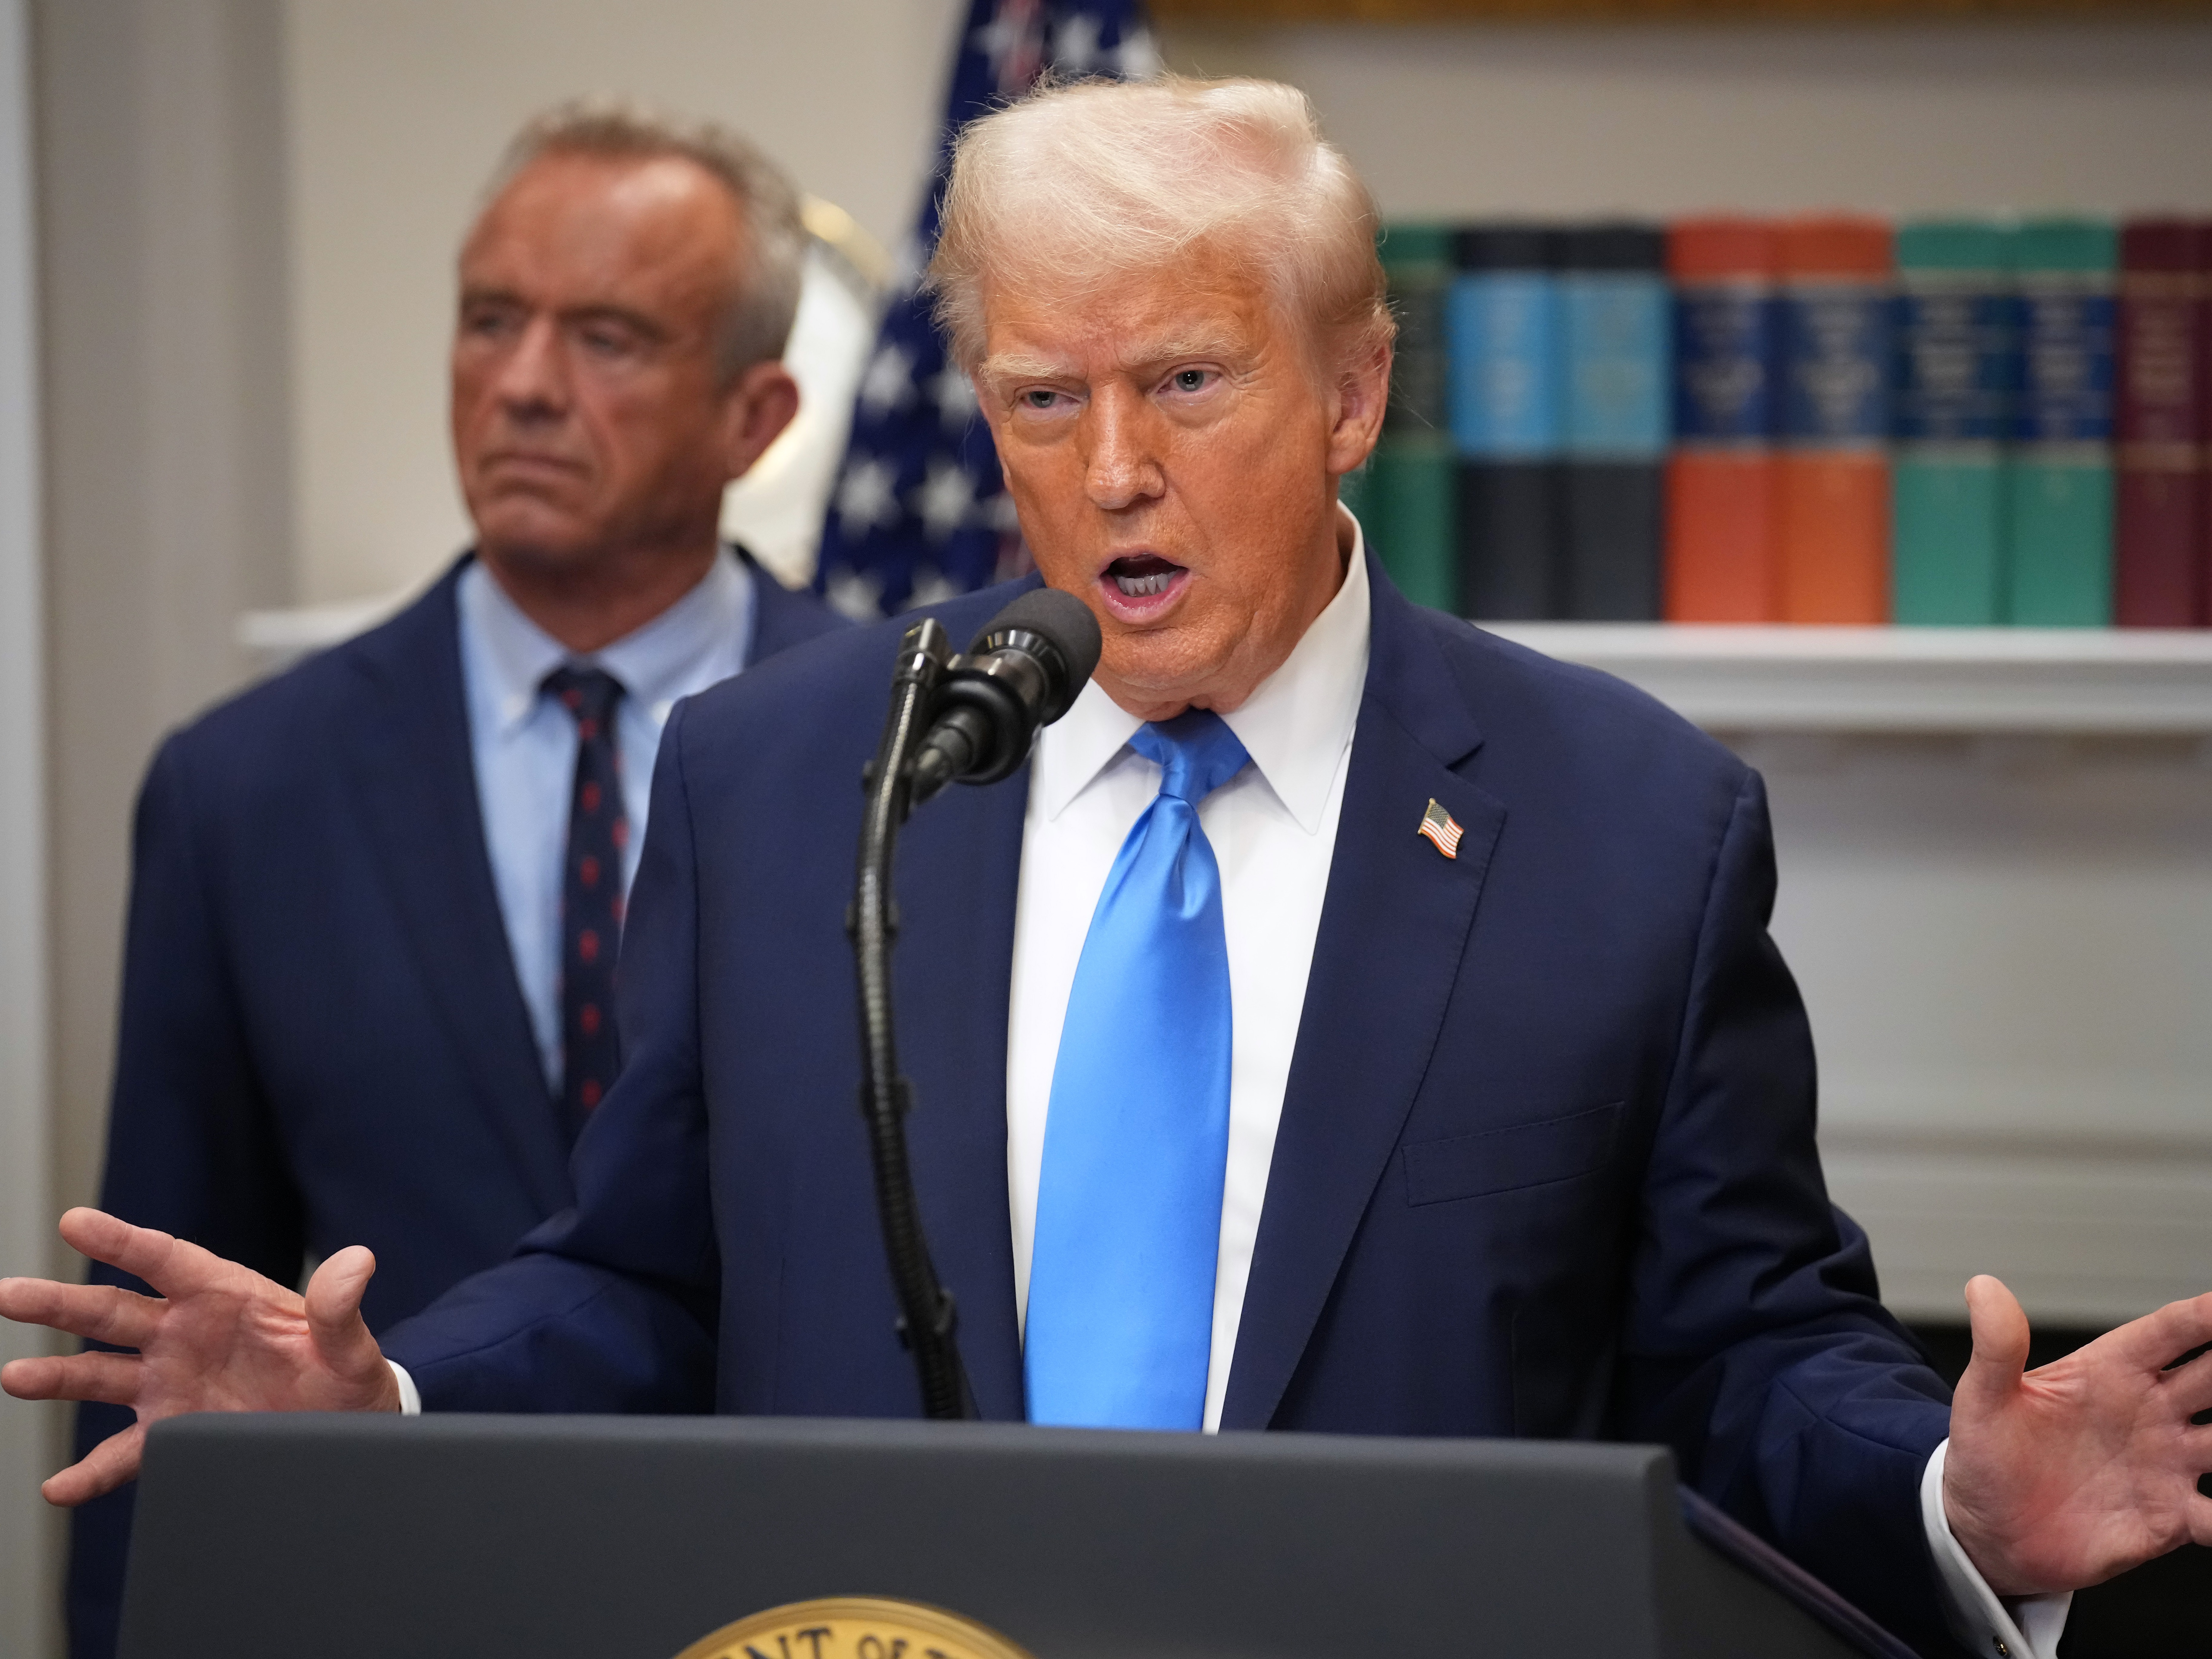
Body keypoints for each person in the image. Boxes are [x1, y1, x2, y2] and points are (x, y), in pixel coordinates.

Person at [7, 77, 2210, 1659]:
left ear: (1351, 391)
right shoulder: (795, 777)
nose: (1115, 471)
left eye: (1184, 379)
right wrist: (378, 1406)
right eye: (1042, 401)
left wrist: (1954, 1487)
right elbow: (649, 1275)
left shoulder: (1623, 817)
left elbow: (1738, 1344)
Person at [48, 101, 848, 1658]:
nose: (526, 384)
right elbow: (160, 1340)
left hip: (817, 1598)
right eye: (492, 321)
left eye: (608, 337)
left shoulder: (911, 754)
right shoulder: (244, 787)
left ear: (755, 418)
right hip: (401, 1608)